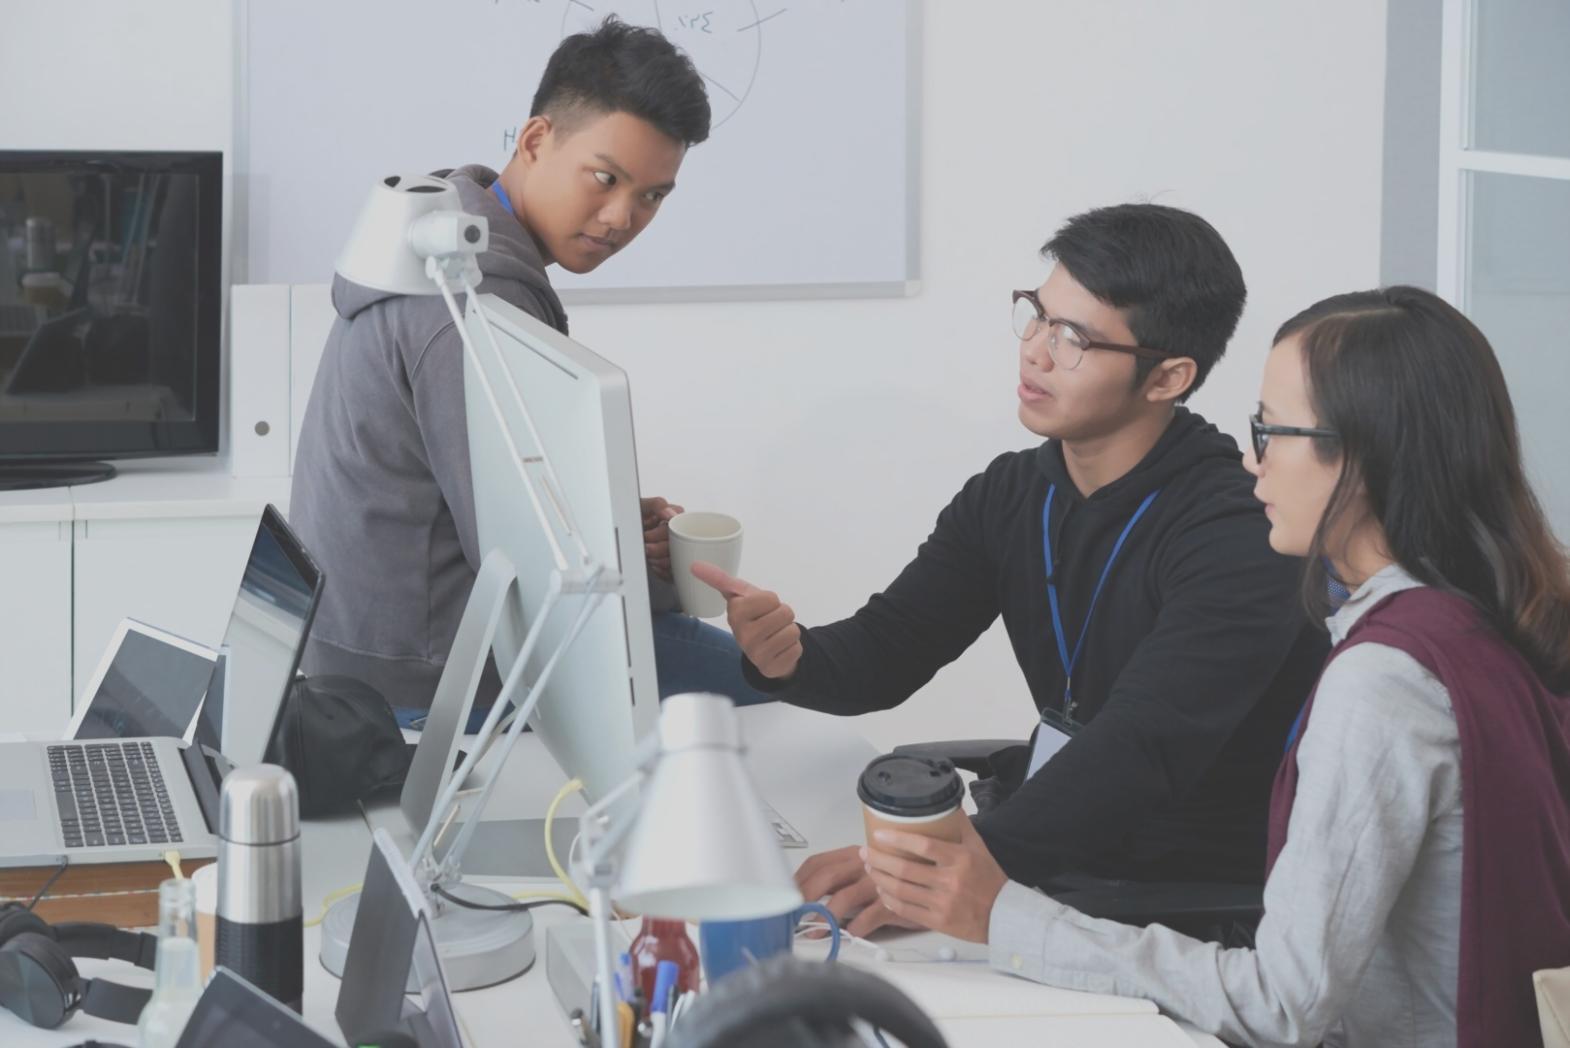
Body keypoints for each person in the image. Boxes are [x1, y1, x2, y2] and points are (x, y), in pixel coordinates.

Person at [861, 286, 1570, 1048]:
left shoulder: (1386, 681)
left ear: (1361, 457)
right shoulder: (1487, 611)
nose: (1248, 458)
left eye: (1270, 430)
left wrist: (1006, 915)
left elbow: (1282, 1005)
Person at [694, 203, 1327, 937]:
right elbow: (885, 653)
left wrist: (956, 866)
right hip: (1065, 856)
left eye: (1075, 339)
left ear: (1168, 378)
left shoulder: (1238, 532)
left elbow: (1144, 747)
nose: (1035, 351)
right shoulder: (1011, 494)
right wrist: (792, 655)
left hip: (1182, 899)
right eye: (1037, 315)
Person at [290, 18, 764, 724]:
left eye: (652, 196)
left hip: (366, 648)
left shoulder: (447, 228)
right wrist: (653, 571)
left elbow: (493, 502)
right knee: (775, 685)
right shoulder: (471, 295)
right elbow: (537, 575)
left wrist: (610, 525)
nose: (620, 217)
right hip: (428, 679)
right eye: (606, 179)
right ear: (537, 140)